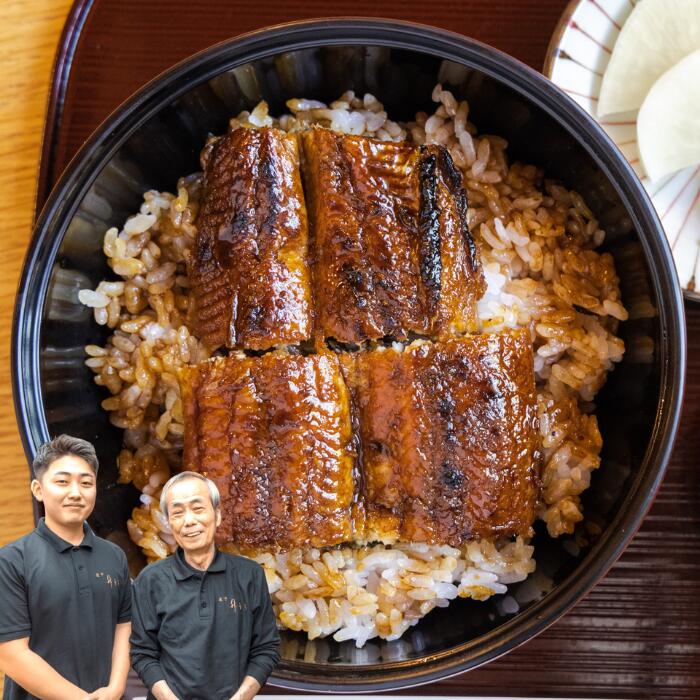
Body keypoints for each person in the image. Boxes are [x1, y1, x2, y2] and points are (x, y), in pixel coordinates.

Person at [0, 435, 132, 700]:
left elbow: (123, 626)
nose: (76, 492)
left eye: (86, 483)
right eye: (62, 481)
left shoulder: (114, 555)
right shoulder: (12, 559)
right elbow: (10, 653)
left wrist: (116, 688)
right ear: (37, 489)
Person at [130, 471, 280, 700]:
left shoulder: (250, 575)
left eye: (198, 508)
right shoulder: (150, 579)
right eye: (178, 513)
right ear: (169, 522)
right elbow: (142, 654)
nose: (189, 521)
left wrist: (239, 698)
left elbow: (266, 649)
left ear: (217, 515)